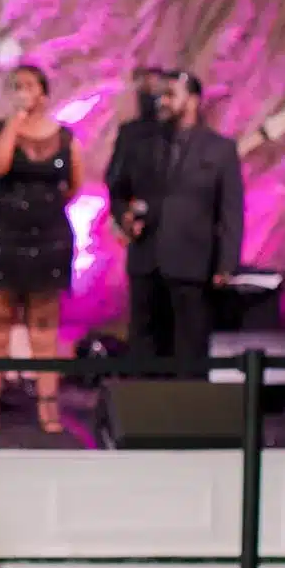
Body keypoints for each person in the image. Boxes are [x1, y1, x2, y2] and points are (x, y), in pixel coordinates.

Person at [0, 63, 83, 436]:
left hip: (48, 238)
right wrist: (15, 125)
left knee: (43, 327)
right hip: (2, 235)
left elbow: (74, 186)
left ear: (44, 93)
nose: (22, 91)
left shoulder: (66, 138)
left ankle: (48, 408)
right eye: (16, 86)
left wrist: (44, 209)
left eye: (29, 86)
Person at [149, 70, 245, 372]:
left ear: (192, 100)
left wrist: (226, 264)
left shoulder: (220, 149)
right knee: (154, 346)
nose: (163, 102)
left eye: (171, 94)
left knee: (191, 347)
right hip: (151, 262)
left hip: (194, 263)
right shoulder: (151, 145)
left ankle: (190, 409)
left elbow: (231, 210)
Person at [106, 64, 174, 363]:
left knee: (181, 323)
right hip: (145, 241)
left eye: (159, 89)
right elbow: (116, 185)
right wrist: (124, 216)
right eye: (145, 89)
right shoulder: (131, 134)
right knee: (143, 319)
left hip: (184, 243)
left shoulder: (189, 135)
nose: (153, 96)